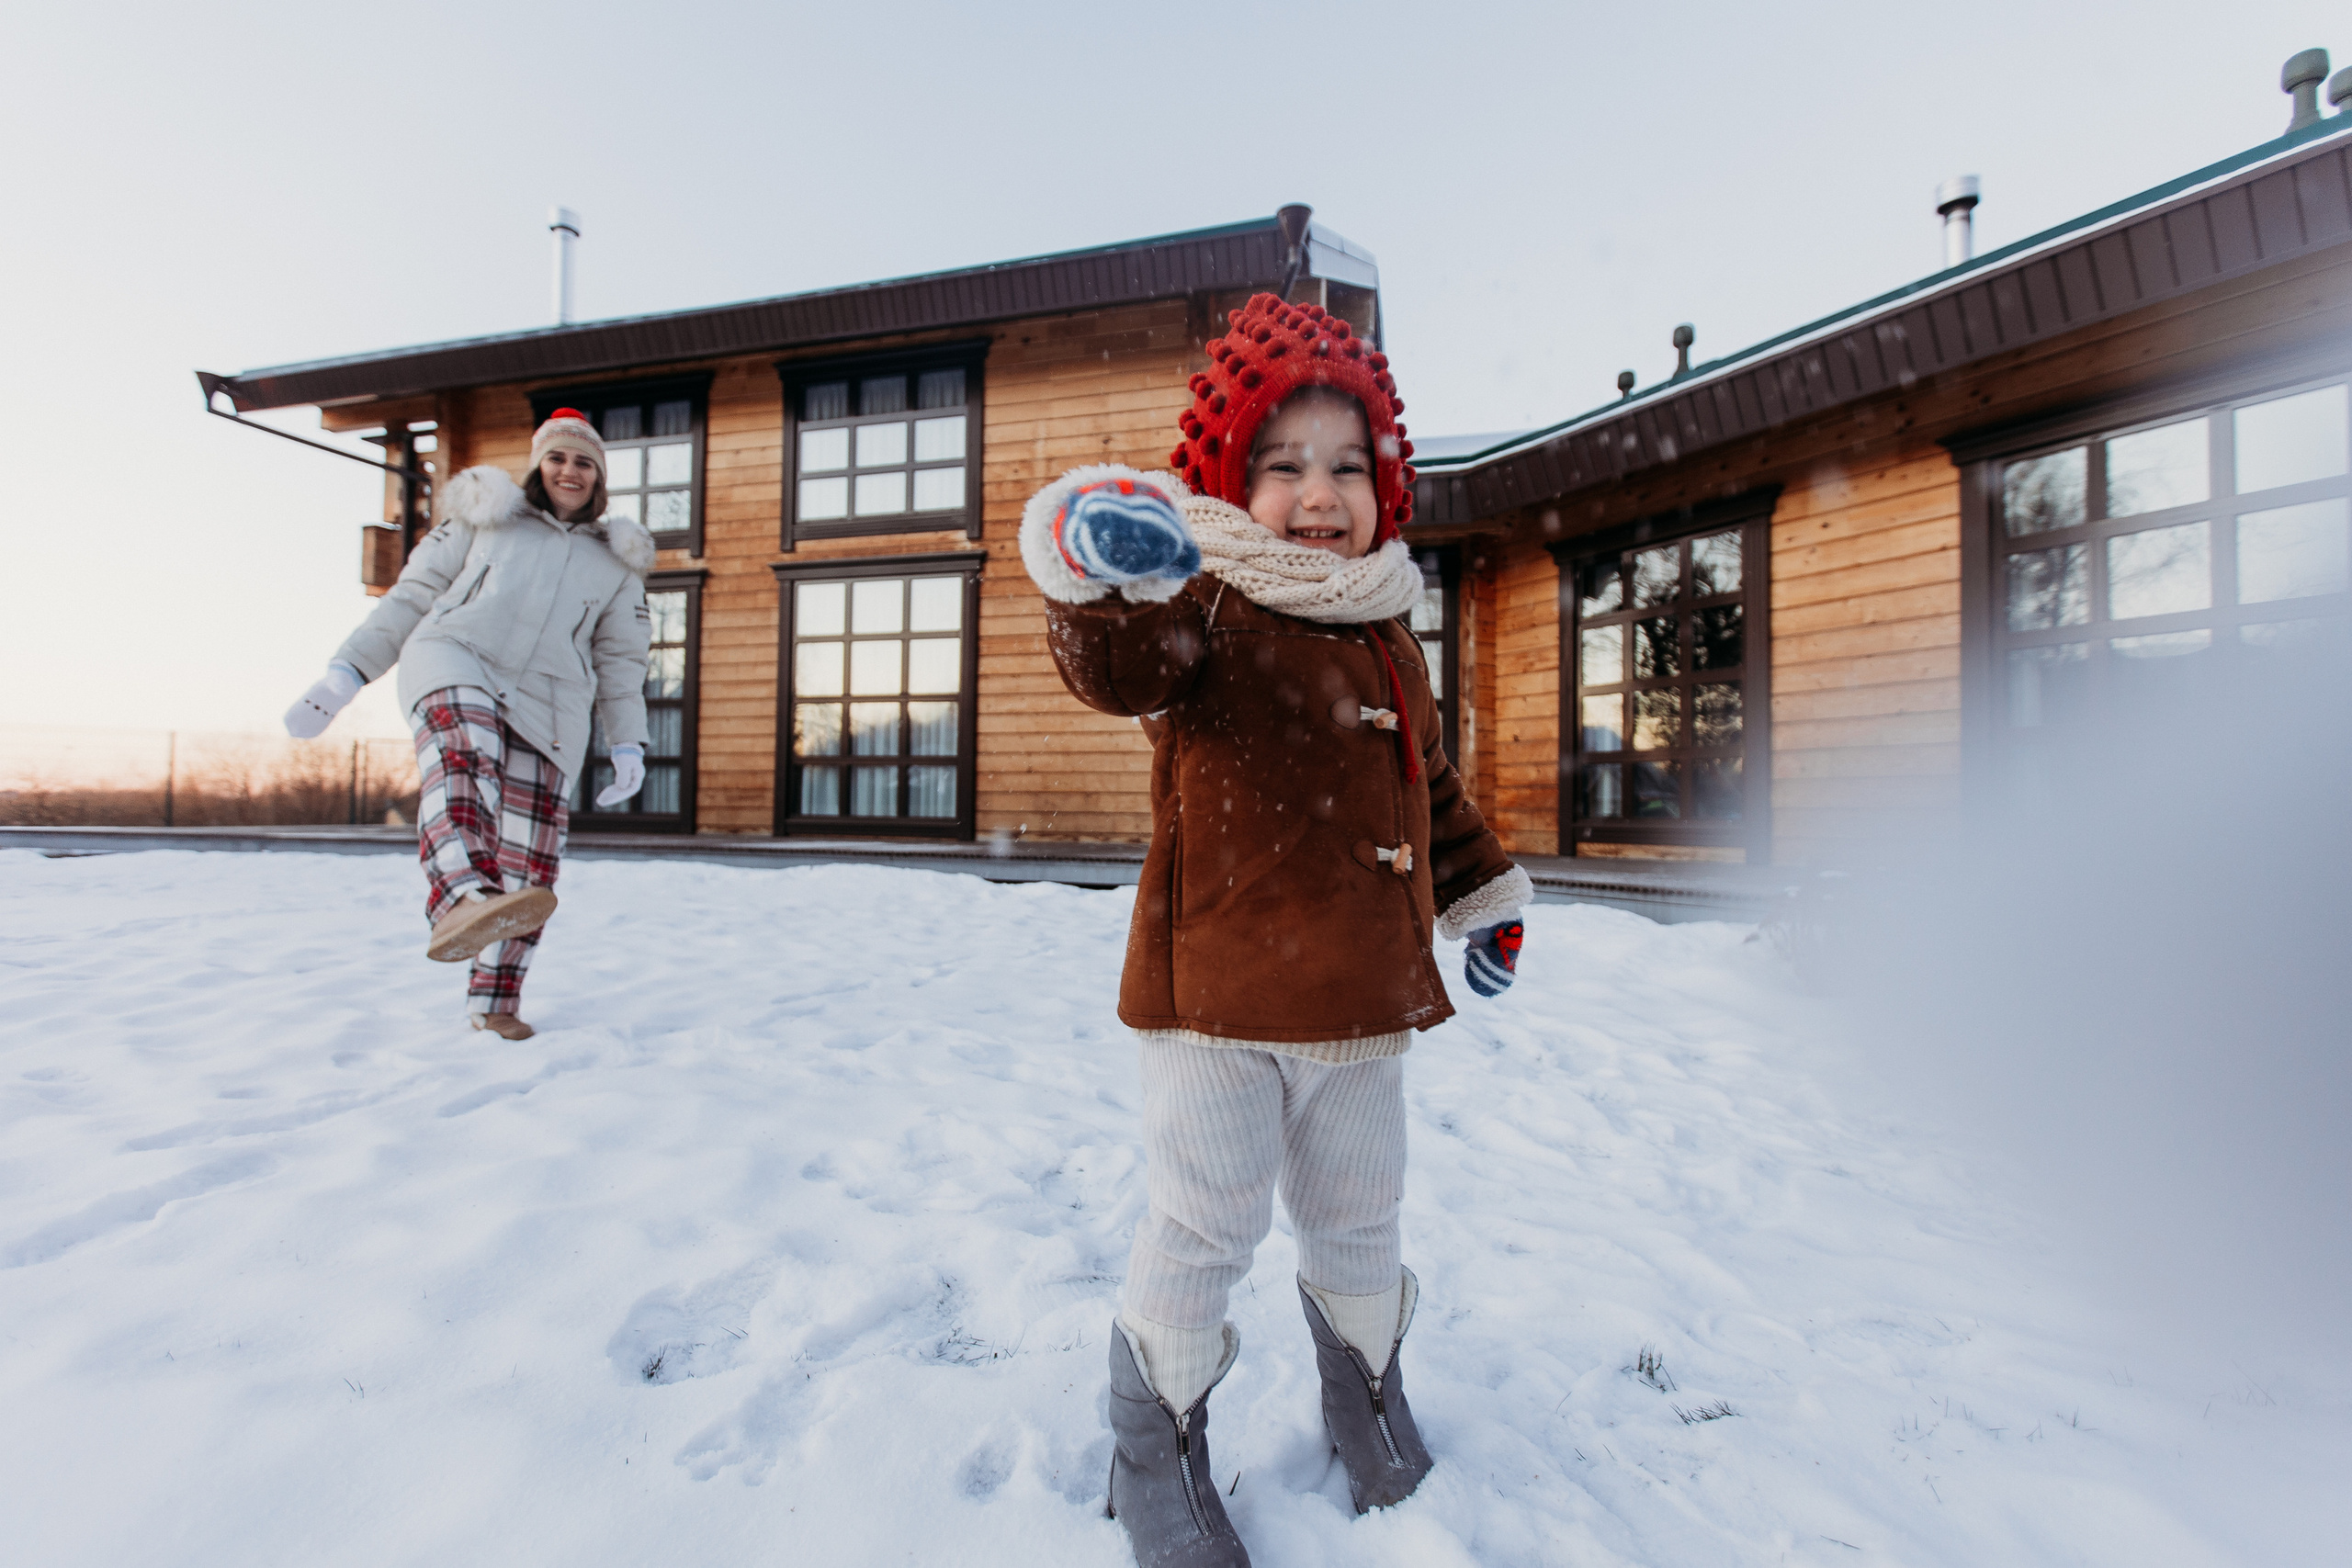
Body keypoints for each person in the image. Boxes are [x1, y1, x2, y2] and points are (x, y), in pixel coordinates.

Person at [1020, 293, 1533, 1564]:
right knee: (1205, 1224)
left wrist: (1485, 896)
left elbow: (1431, 788)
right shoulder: (1199, 601)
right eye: (1285, 465)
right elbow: (1120, 666)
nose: (1318, 493)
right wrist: (1108, 579)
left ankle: (1365, 1399)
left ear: (1385, 486)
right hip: (1217, 1002)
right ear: (1228, 481)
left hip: (1363, 1001)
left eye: (1348, 467)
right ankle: (1155, 1450)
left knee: (1362, 1216)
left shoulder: (1389, 631)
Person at [283, 410, 655, 1040]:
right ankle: (461, 896)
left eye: (583, 462)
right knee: (465, 753)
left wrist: (628, 741)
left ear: (599, 478)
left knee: (533, 864)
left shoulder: (616, 563)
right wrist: (346, 673)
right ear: (538, 465)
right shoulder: (486, 516)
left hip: (550, 703)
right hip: (457, 655)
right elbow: (411, 593)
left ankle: (496, 1003)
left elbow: (622, 660)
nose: (569, 471)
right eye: (557, 458)